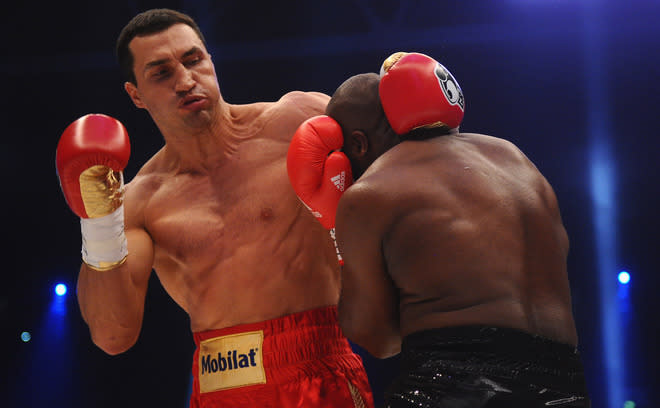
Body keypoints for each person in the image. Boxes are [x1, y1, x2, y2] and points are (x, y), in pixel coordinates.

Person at [55, 8, 374, 408]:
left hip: (318, 365)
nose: (186, 81)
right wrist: (98, 221)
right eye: (161, 73)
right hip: (219, 388)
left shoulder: (299, 121)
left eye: (193, 60)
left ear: (210, 59)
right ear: (135, 94)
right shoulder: (141, 201)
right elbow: (112, 335)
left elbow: (401, 189)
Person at [287, 52, 590, 407]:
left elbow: (378, 338)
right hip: (567, 386)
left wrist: (337, 229)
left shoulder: (372, 193)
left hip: (457, 387)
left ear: (357, 144)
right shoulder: (514, 159)